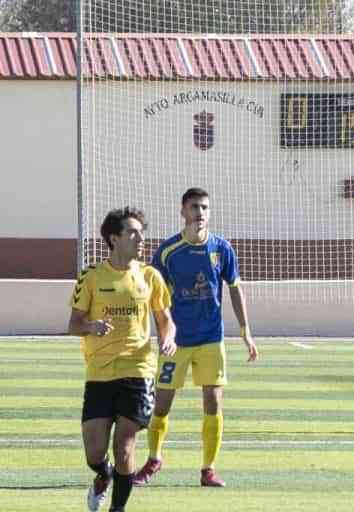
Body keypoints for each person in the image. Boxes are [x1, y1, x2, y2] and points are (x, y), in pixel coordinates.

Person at [134, 187, 259, 488]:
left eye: (204, 207)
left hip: (211, 339)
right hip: (176, 342)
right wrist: (159, 333)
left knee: (213, 404)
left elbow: (235, 288)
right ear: (183, 211)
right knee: (161, 405)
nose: (199, 213)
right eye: (194, 207)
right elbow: (154, 297)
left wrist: (245, 332)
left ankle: (208, 469)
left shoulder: (221, 249)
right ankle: (153, 459)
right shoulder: (168, 251)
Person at [68, 207, 177, 512]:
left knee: (125, 445)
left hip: (138, 370)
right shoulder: (91, 276)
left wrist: (168, 338)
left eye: (141, 232)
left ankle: (118, 509)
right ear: (114, 238)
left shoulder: (150, 276)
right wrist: (91, 326)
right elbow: (73, 324)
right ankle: (103, 475)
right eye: (132, 232)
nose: (140, 238)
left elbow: (165, 320)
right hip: (99, 373)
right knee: (94, 453)